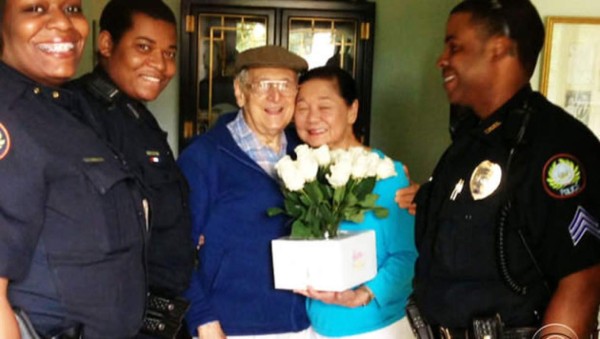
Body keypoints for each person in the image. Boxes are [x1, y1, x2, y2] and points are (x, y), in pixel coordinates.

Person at [412, 0, 600, 338]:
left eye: (455, 47)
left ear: (499, 50)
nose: (442, 59)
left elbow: (582, 278)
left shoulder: (553, 145)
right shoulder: (470, 141)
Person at [0, 0, 149, 337]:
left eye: (71, 9)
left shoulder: (66, 107)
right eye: (35, 9)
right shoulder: (8, 116)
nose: (63, 24)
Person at [67, 0, 195, 336]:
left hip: (159, 318)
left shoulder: (136, 115)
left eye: (169, 53)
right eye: (144, 47)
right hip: (114, 321)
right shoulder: (75, 111)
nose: (161, 65)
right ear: (106, 44)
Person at [177, 45, 311, 338]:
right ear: (240, 92)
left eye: (285, 86)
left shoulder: (307, 154)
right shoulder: (203, 157)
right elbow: (177, 248)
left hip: (306, 322)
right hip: (232, 327)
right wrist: (203, 318)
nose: (275, 97)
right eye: (263, 85)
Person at [292, 66, 417, 339]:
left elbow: (408, 256)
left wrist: (362, 295)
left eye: (324, 107)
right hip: (316, 325)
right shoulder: (301, 173)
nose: (312, 118)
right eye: (301, 108)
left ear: (352, 110)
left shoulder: (388, 175)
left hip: (376, 327)